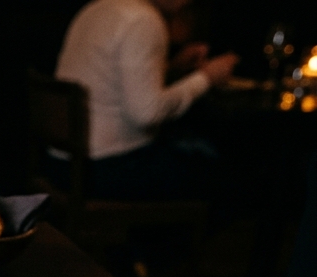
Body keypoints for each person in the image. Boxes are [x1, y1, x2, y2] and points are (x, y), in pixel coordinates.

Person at [55, 0, 237, 200]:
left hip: (61, 164)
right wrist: (207, 77)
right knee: (224, 164)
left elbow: (115, 82)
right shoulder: (143, 19)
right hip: (103, 171)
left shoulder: (97, 7)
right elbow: (148, 114)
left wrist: (172, 68)